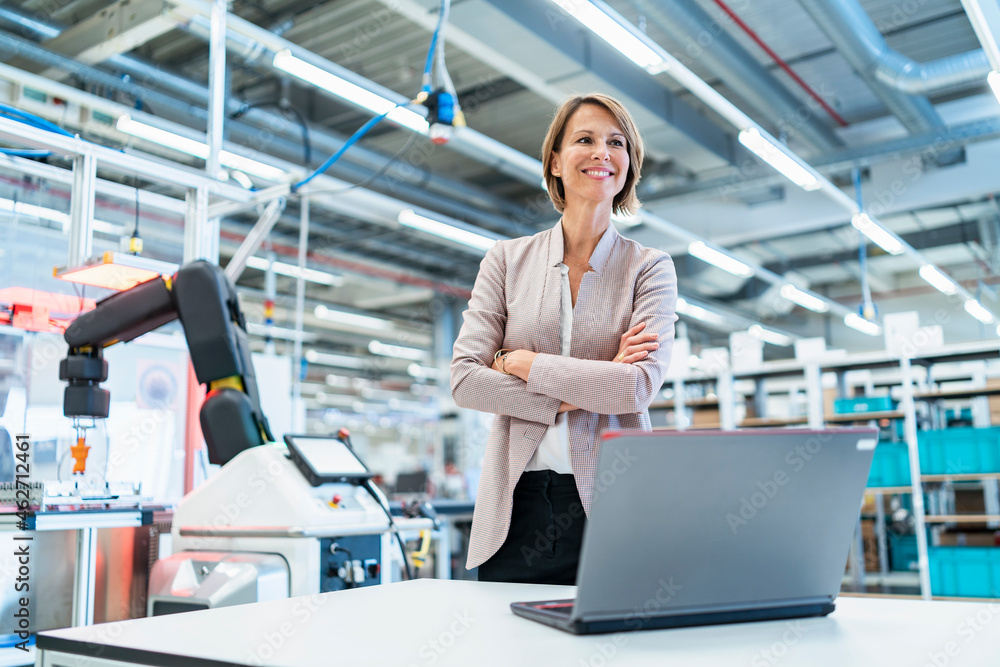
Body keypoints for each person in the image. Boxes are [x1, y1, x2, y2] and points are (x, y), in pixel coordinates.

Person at [450, 93, 678, 585]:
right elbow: (466, 380)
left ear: (629, 164)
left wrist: (519, 361)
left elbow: (635, 388)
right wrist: (596, 383)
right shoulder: (507, 261)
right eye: (585, 139)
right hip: (515, 504)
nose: (602, 153)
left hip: (615, 498)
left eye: (616, 143)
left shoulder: (650, 268)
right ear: (555, 161)